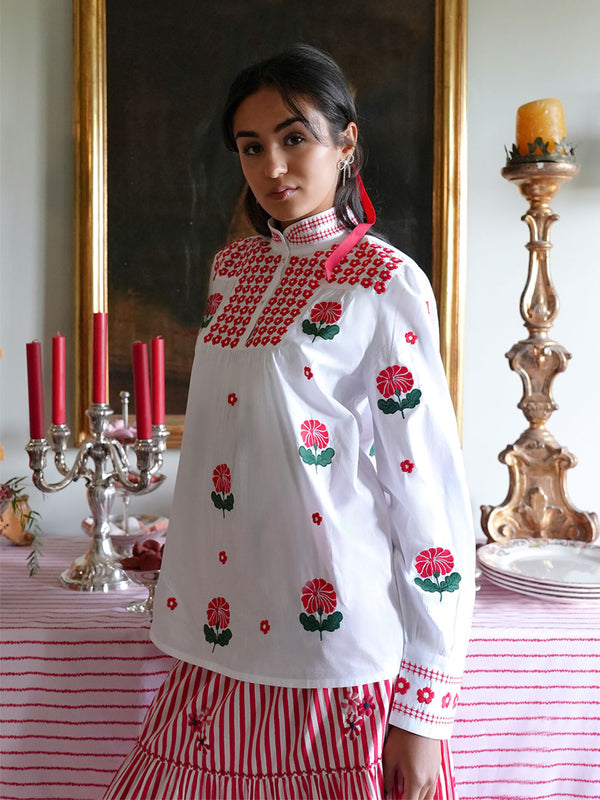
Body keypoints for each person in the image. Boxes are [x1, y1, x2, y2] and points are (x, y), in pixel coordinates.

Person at [104, 44, 475, 800]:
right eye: (250, 146)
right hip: (218, 640)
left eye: (293, 137)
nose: (272, 165)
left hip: (333, 648)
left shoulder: (384, 280)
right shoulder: (231, 271)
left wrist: (424, 714)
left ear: (346, 143)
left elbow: (427, 489)